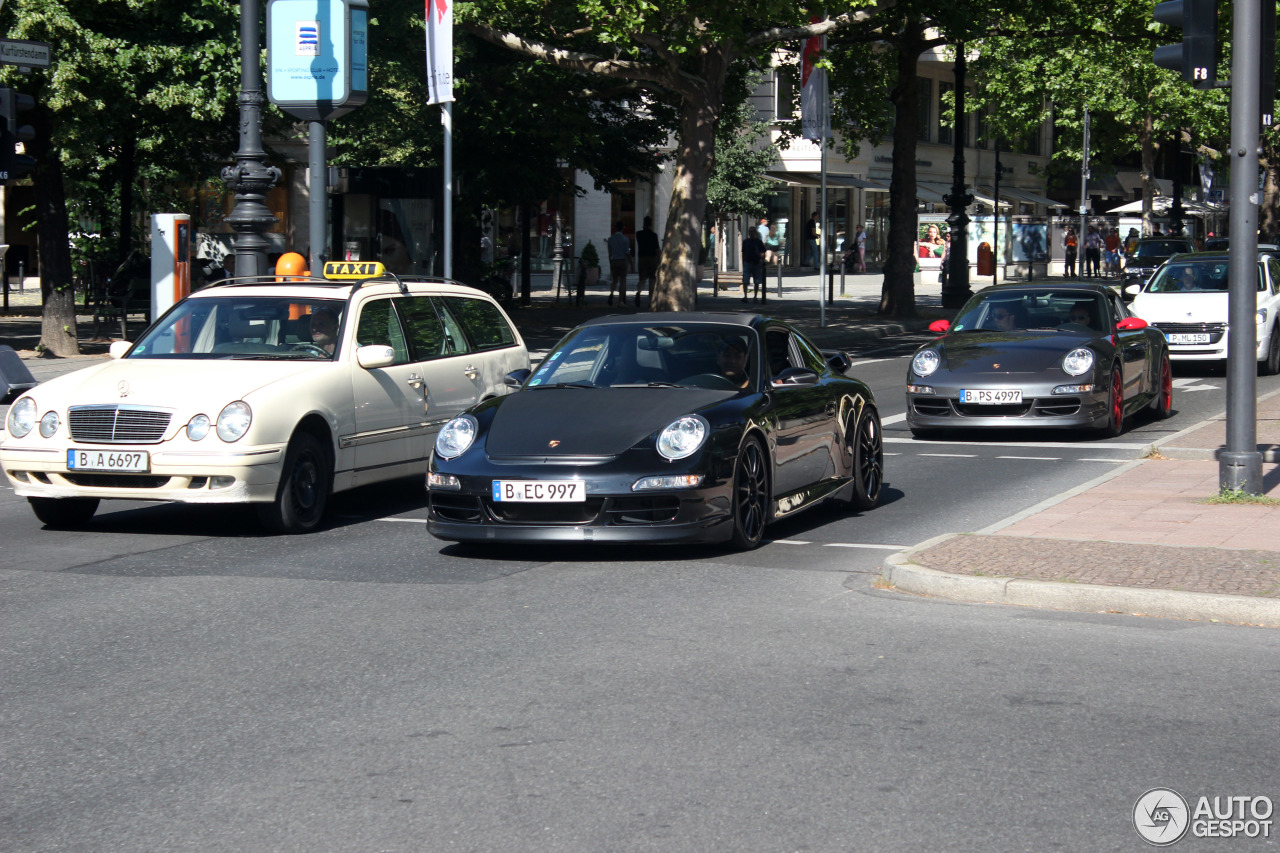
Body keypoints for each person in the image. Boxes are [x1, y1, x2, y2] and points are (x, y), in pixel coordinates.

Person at [634, 216, 661, 307]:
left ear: (643, 223)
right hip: (652, 258)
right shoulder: (654, 235)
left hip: (642, 258)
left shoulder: (638, 234)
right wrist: (660, 258)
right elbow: (657, 249)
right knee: (652, 279)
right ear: (651, 224)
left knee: (642, 279)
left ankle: (638, 292)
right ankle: (651, 300)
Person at [605, 221, 632, 306]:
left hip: (614, 260)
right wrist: (631, 263)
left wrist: (610, 262)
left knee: (615, 280)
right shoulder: (625, 239)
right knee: (622, 281)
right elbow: (627, 252)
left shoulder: (610, 239)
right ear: (622, 228)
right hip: (623, 260)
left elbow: (609, 253)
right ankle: (620, 301)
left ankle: (612, 293)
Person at [741, 227, 766, 303]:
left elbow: (762, 251)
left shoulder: (758, 241)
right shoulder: (745, 241)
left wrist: (762, 260)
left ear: (755, 233)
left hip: (756, 263)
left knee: (757, 281)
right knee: (745, 280)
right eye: (750, 231)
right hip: (747, 263)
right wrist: (743, 262)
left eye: (752, 231)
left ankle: (755, 297)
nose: (751, 233)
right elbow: (743, 252)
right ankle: (745, 296)